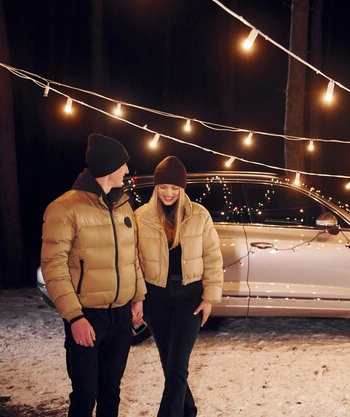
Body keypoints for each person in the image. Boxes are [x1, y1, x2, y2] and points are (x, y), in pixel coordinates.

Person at [41, 133, 147, 417]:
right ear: (107, 167)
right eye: (123, 165)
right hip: (87, 317)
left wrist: (137, 298)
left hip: (122, 316)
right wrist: (74, 317)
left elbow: (132, 257)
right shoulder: (65, 208)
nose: (127, 170)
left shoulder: (125, 205)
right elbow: (54, 267)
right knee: (86, 394)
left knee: (111, 391)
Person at [135, 156, 223, 417]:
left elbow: (213, 257)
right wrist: (138, 297)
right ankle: (189, 410)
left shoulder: (199, 215)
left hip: (190, 297)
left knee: (177, 365)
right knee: (169, 363)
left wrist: (209, 298)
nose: (169, 193)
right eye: (163, 187)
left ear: (182, 188)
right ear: (156, 187)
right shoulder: (141, 217)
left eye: (175, 188)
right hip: (156, 298)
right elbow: (134, 262)